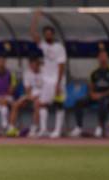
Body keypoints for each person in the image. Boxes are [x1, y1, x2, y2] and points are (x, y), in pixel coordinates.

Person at [30, 9, 67, 138]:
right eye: (46, 34)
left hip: (57, 80)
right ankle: (44, 129)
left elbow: (61, 66)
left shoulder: (59, 47)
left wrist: (58, 83)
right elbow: (33, 35)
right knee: (42, 104)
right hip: (47, 80)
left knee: (58, 104)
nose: (48, 36)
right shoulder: (44, 45)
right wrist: (36, 18)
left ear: (53, 34)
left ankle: (57, 130)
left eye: (50, 34)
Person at [70, 50, 109, 138]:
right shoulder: (94, 72)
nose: (103, 59)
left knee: (102, 102)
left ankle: (99, 127)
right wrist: (92, 94)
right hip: (95, 95)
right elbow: (90, 86)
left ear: (107, 58)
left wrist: (101, 95)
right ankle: (79, 127)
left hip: (108, 96)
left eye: (104, 56)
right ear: (98, 58)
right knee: (78, 102)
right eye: (101, 56)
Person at [7, 55, 43, 137]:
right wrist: (30, 97)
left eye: (35, 64)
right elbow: (27, 90)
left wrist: (37, 97)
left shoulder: (44, 72)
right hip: (30, 96)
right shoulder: (28, 73)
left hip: (42, 97)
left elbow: (46, 89)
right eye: (32, 64)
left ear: (38, 64)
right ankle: (11, 127)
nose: (33, 66)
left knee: (37, 104)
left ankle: (34, 128)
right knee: (16, 104)